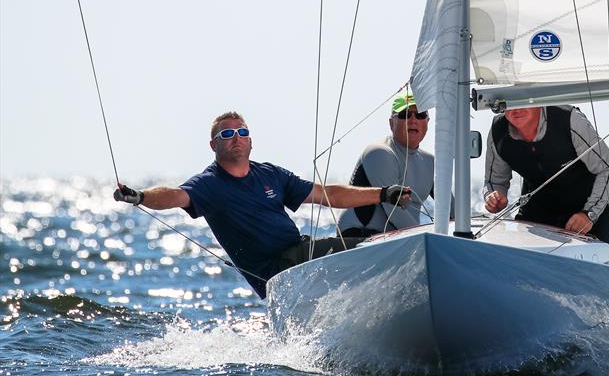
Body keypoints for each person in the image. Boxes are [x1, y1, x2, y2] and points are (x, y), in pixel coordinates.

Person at [113, 111, 410, 299]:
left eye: (242, 132)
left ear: (250, 141)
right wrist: (140, 197)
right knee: (363, 248)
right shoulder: (209, 184)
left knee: (370, 243)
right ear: (213, 145)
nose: (236, 138)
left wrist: (383, 194)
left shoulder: (270, 174)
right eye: (226, 134)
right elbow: (175, 196)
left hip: (298, 256)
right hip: (277, 272)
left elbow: (327, 194)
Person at [483, 105, 609, 247]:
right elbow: (494, 181)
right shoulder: (498, 131)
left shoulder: (569, 119)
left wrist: (590, 214)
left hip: (586, 207)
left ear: (538, 102)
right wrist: (493, 197)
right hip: (538, 208)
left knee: (595, 260)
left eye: (523, 102)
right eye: (509, 104)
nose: (516, 110)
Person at [338, 90, 437, 237]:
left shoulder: (430, 161)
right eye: (405, 114)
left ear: (427, 122)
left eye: (420, 114)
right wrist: (430, 239)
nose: (413, 120)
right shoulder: (379, 153)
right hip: (360, 237)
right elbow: (395, 212)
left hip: (400, 240)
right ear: (392, 123)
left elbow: (453, 209)